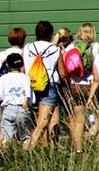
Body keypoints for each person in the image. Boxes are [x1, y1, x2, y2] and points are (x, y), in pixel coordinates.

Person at [24, 20, 67, 148]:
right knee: (43, 122)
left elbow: (23, 67)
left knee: (35, 121)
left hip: (30, 85)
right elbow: (62, 72)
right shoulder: (55, 49)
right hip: (49, 85)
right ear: (50, 34)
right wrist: (67, 85)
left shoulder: (27, 47)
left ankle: (36, 147)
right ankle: (29, 149)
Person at [62, 23, 99, 152]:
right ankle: (90, 140)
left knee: (79, 120)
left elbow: (64, 67)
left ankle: (78, 150)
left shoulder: (71, 46)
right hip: (91, 85)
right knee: (96, 117)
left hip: (75, 85)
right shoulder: (96, 47)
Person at [0, 53, 32, 146]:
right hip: (22, 108)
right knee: (26, 136)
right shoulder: (26, 77)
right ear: (22, 64)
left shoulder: (4, 78)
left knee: (6, 135)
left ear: (7, 65)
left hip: (8, 109)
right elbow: (27, 92)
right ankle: (28, 155)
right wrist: (26, 104)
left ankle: (6, 156)